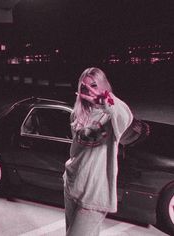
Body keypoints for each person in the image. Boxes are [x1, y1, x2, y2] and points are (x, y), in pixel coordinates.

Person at [63, 67, 133, 235]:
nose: (90, 91)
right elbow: (77, 149)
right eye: (84, 87)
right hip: (72, 185)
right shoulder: (77, 114)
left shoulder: (112, 114)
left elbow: (126, 118)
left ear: (103, 85)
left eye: (94, 85)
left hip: (95, 193)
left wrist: (107, 100)